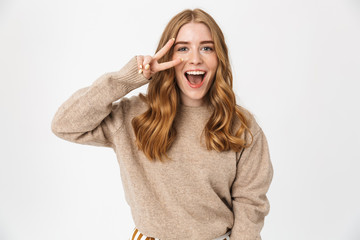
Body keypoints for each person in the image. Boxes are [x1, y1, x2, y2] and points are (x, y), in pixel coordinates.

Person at [51, 8, 273, 240]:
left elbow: (250, 204)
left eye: (207, 48)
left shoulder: (241, 126)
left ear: (219, 58)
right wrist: (128, 78)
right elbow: (65, 124)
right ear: (167, 57)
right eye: (183, 48)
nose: (195, 58)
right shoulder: (133, 116)